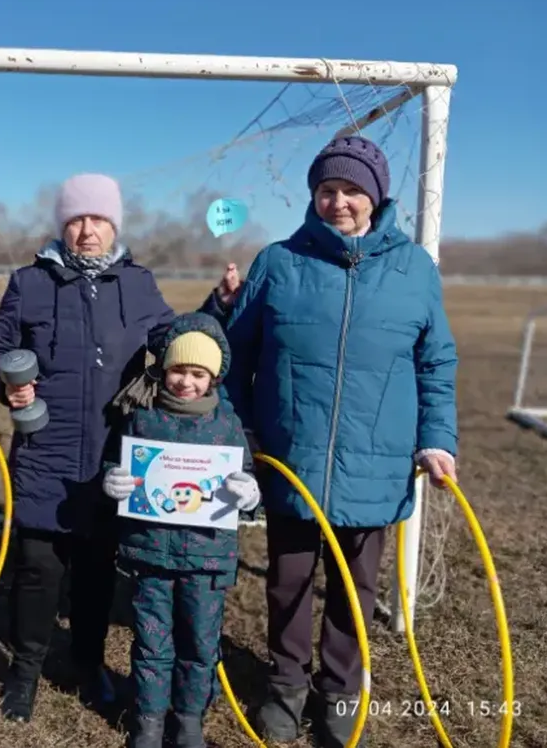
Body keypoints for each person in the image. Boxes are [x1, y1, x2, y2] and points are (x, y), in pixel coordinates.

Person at [200, 136, 458, 748]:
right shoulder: (279, 261)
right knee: (287, 582)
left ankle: (340, 690)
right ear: (314, 195)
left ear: (376, 197)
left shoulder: (414, 268)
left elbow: (436, 362)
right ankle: (285, 687)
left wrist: (436, 439)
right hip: (293, 456)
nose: (338, 201)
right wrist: (242, 431)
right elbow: (235, 357)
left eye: (351, 190)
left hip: (376, 461)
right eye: (327, 189)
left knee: (355, 590)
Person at [0, 172, 175, 722]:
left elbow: (173, 339)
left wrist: (217, 309)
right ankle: (24, 672)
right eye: (76, 220)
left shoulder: (138, 283)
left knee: (96, 571)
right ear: (62, 226)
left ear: (115, 225)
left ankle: (87, 665)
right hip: (45, 450)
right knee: (37, 569)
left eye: (99, 220)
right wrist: (8, 383)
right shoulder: (29, 282)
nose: (87, 231)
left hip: (113, 455)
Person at [100, 311, 262, 748]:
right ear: (164, 368)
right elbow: (116, 460)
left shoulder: (226, 425)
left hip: (206, 559)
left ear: (213, 378)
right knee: (151, 642)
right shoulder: (141, 416)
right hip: (149, 553)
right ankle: (149, 720)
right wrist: (113, 480)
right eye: (178, 370)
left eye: (197, 374)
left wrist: (249, 494)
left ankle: (189, 719)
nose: (186, 382)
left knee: (200, 643)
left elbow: (246, 474)